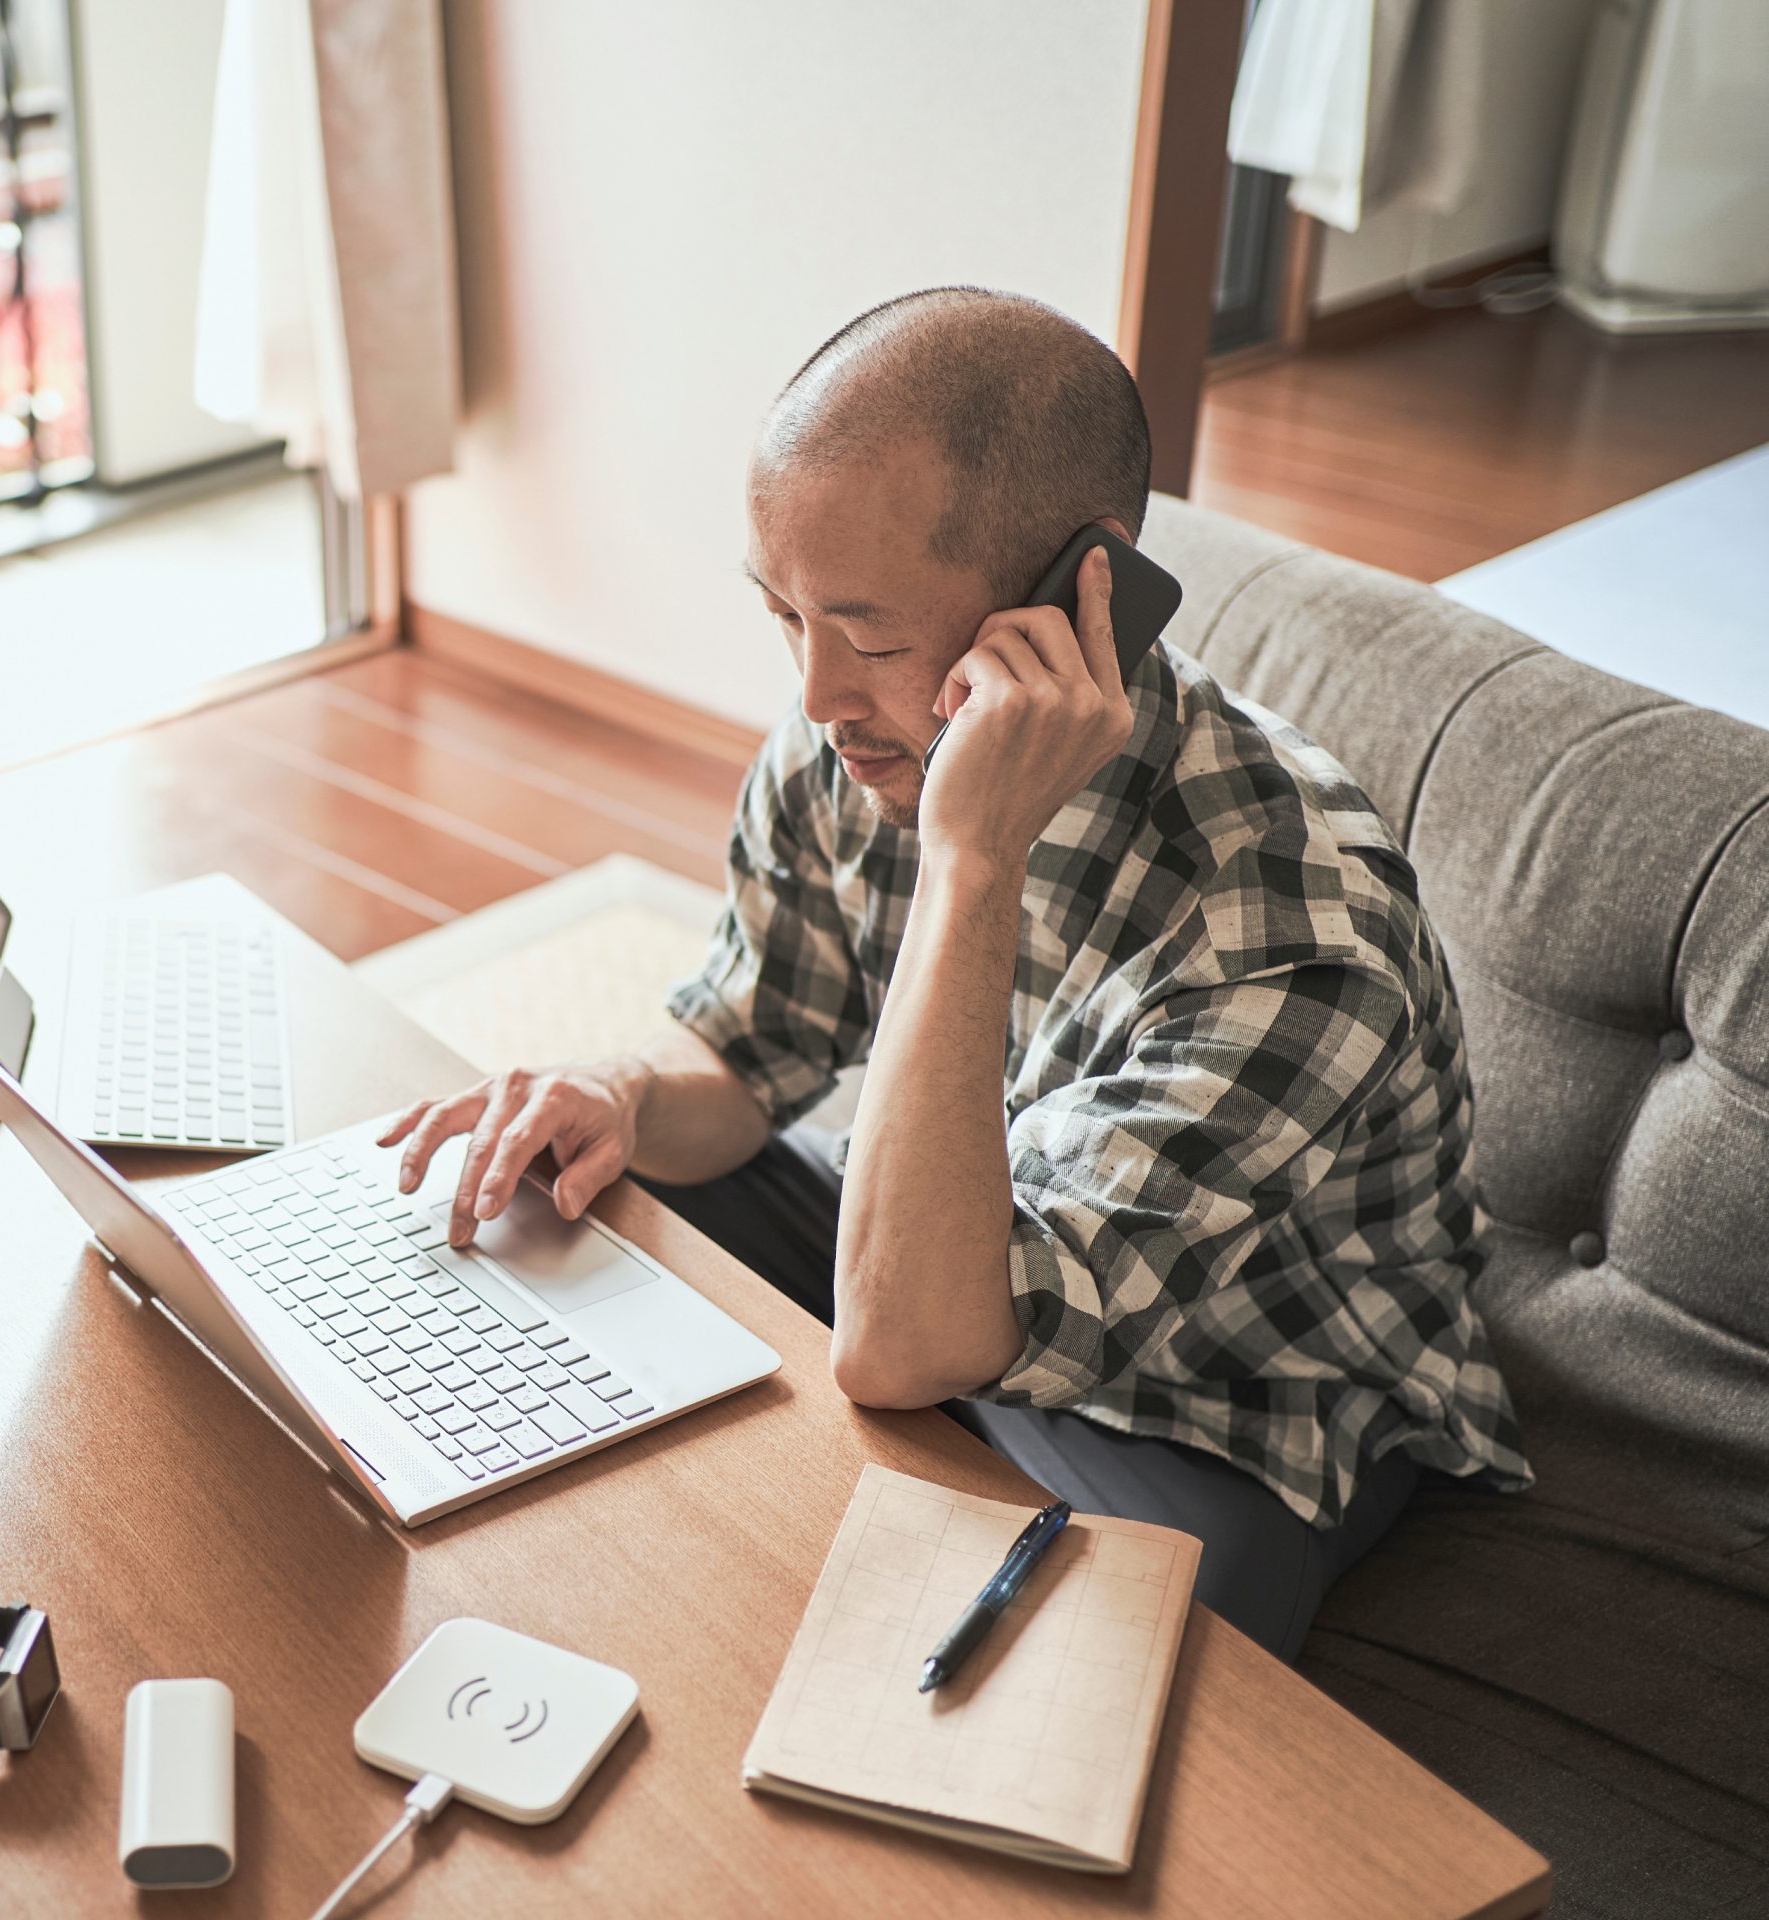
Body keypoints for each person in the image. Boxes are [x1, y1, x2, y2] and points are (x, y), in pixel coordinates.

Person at [382, 287, 1529, 1659]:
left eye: (867, 638)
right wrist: (622, 1089)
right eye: (784, 616)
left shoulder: (1294, 939)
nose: (815, 697)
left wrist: (972, 857)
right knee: (579, 1212)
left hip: (1223, 1400)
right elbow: (751, 1053)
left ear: (1076, 603)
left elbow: (903, 1346)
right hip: (957, 1242)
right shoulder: (846, 744)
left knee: (1084, 1691)